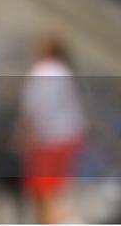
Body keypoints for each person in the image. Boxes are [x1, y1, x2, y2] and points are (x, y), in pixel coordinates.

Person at [19, 35, 86, 223]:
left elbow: (38, 106)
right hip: (66, 137)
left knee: (44, 192)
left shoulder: (45, 70)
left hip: (49, 139)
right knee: (52, 191)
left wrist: (28, 134)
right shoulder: (65, 71)